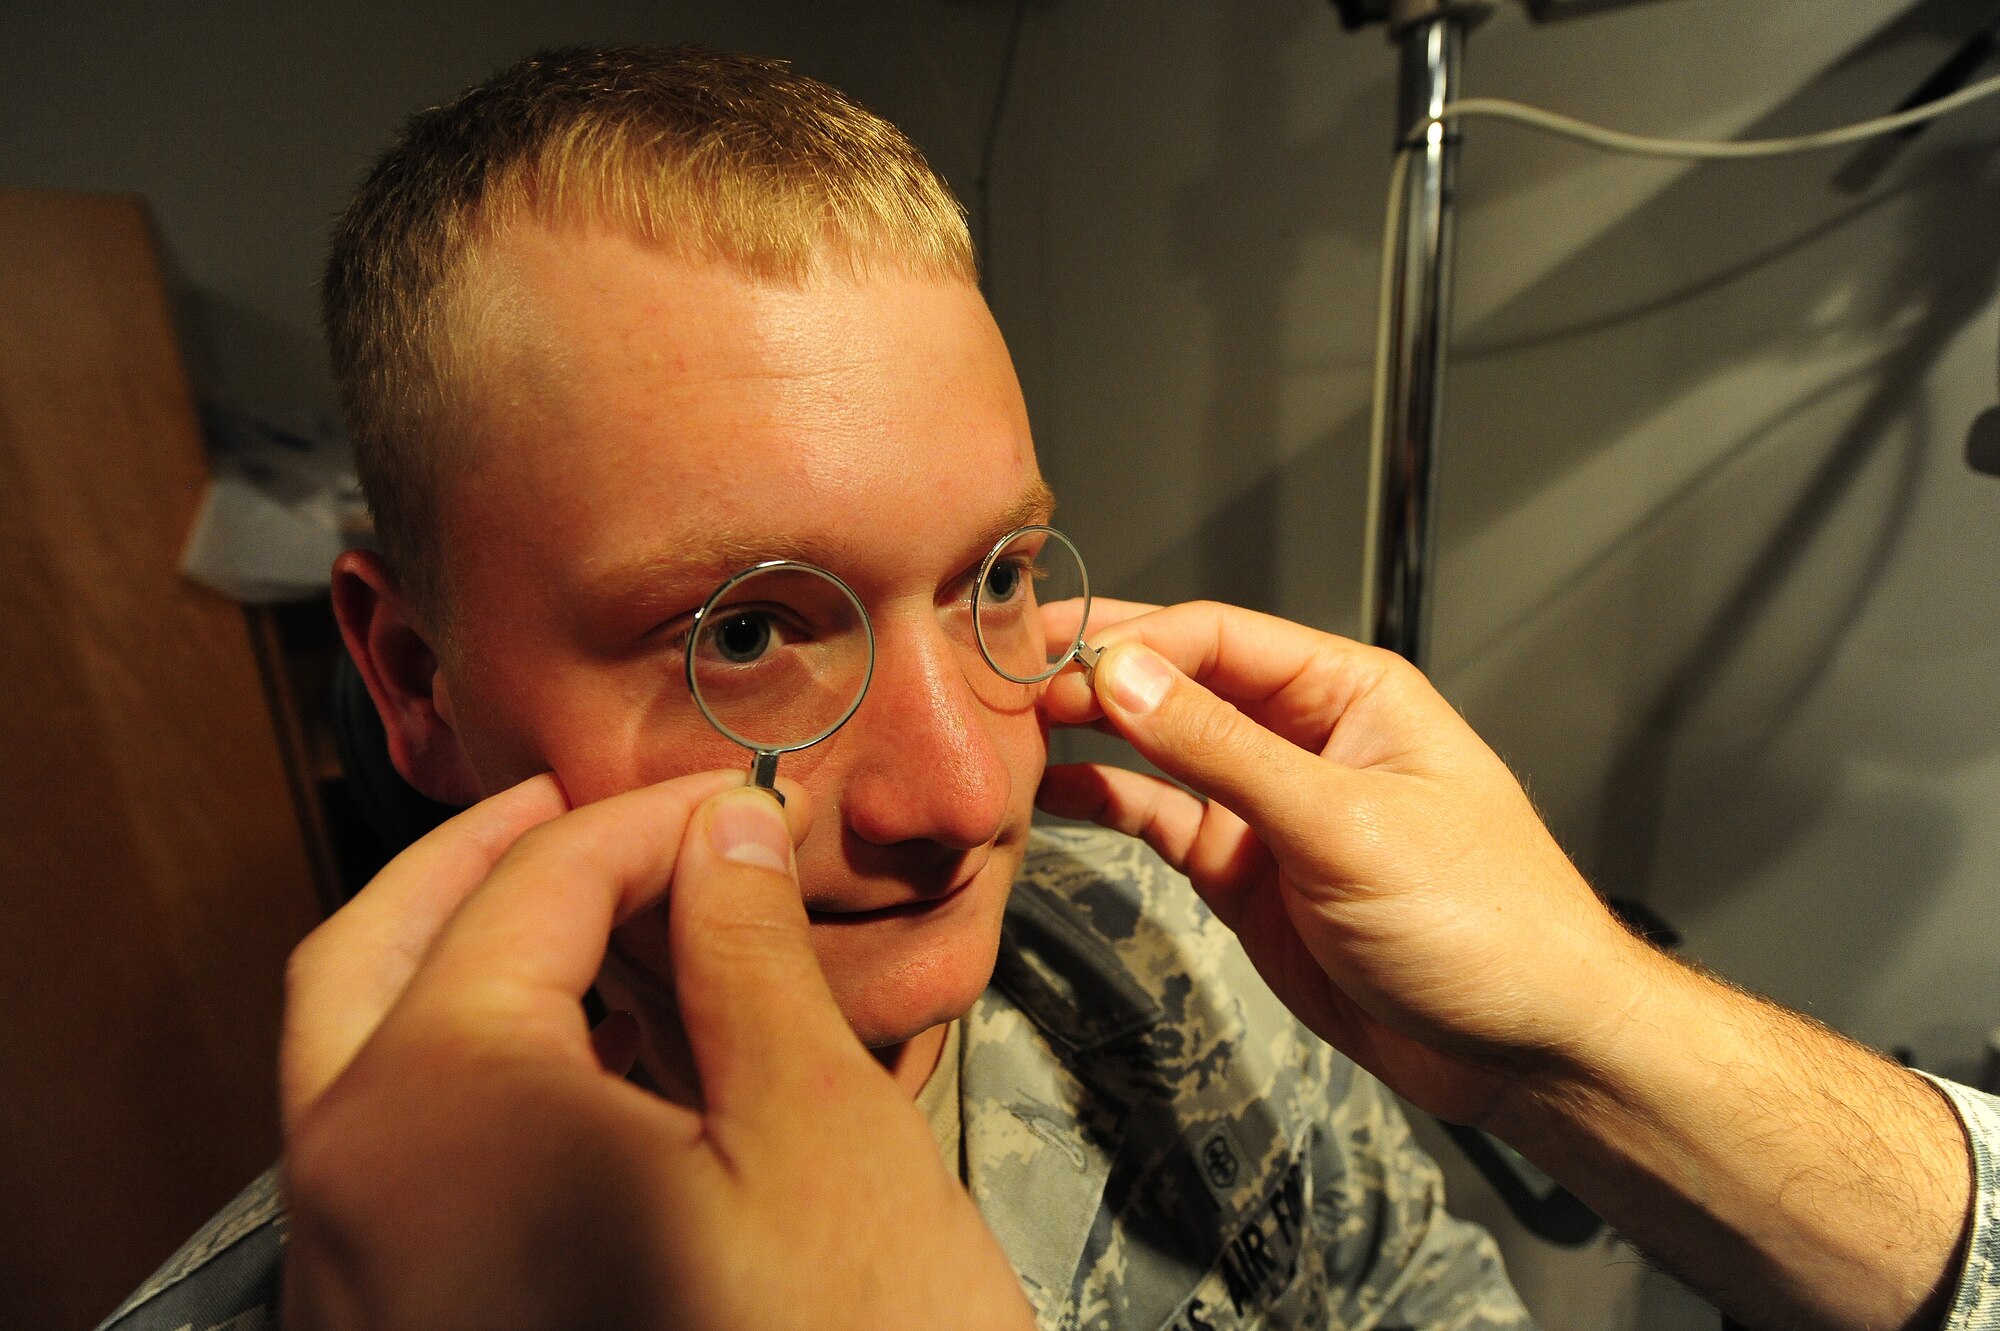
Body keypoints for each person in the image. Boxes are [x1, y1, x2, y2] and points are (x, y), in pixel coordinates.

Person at [99, 45, 1530, 1331]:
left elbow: (1416, 1289)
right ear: (415, 677)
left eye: (994, 576)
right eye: (742, 636)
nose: (970, 796)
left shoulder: (1154, 939)